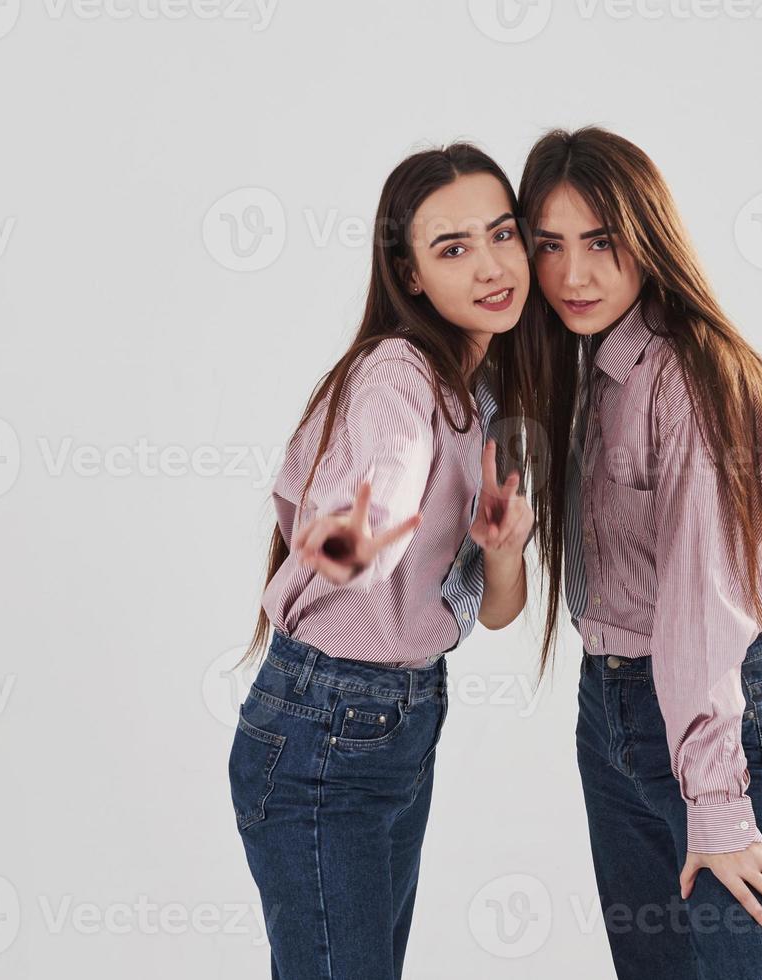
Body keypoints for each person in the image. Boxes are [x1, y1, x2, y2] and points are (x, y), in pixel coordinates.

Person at [227, 143, 538, 980]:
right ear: (408, 276)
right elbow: (370, 513)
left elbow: (497, 608)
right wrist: (358, 537)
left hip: (399, 721)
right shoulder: (397, 375)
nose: (489, 266)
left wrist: (502, 549)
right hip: (326, 724)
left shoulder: (489, 398)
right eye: (452, 249)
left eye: (501, 235)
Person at [519, 126, 762, 979]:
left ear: (647, 238)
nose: (572, 275)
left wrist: (718, 808)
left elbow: (701, 606)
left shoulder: (688, 377)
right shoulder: (581, 368)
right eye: (549, 245)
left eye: (601, 243)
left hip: (721, 721)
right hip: (611, 714)